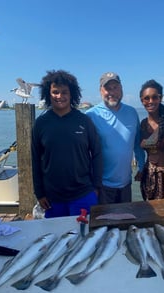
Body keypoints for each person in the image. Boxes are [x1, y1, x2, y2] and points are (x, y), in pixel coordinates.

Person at [31, 70, 103, 218]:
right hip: (52, 198)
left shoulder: (84, 121)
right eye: (55, 92)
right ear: (48, 94)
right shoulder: (41, 123)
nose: (60, 96)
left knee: (84, 237)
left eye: (64, 92)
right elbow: (35, 159)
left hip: (83, 194)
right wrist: (39, 193)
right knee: (57, 239)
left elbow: (97, 154)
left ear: (72, 94)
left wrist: (96, 186)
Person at [86, 72, 145, 204]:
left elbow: (137, 143)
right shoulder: (91, 115)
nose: (112, 92)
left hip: (126, 184)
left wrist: (141, 167)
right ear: (100, 90)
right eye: (108, 88)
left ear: (121, 88)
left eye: (115, 87)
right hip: (102, 186)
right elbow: (84, 152)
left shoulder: (132, 112)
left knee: (125, 222)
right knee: (104, 223)